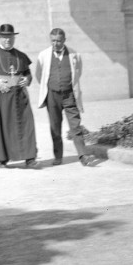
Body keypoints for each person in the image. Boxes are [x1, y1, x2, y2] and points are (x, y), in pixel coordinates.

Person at [0, 24, 38, 168]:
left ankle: (29, 158)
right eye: (4, 37)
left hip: (19, 95)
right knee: (1, 126)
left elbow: (27, 72)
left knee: (26, 125)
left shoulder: (21, 56)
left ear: (14, 37)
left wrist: (27, 79)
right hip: (1, 95)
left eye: (10, 37)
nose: (7, 40)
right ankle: (2, 159)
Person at [35, 28, 95, 167]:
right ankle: (58, 157)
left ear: (64, 41)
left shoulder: (74, 54)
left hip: (69, 95)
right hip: (52, 95)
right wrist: (51, 87)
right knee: (55, 127)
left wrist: (68, 85)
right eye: (53, 41)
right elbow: (39, 75)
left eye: (59, 41)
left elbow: (77, 72)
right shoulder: (43, 55)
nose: (56, 44)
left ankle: (83, 155)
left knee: (75, 126)